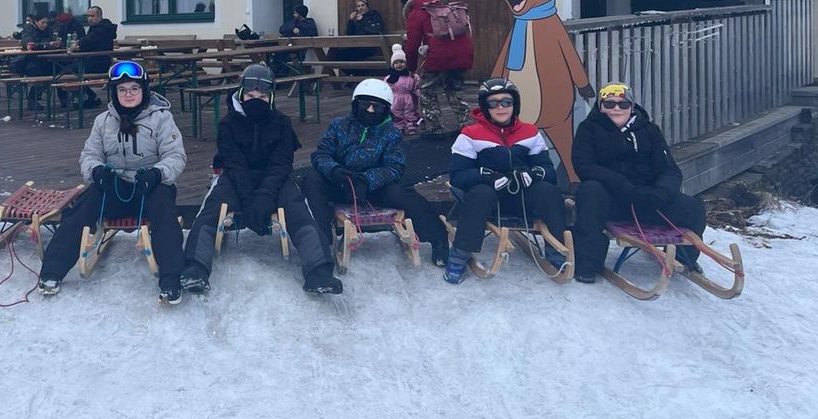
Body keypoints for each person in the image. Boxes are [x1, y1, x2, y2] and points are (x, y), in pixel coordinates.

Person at [179, 64, 337, 295]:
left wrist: (264, 196)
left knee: (298, 209)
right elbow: (233, 163)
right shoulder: (228, 124)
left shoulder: (281, 123)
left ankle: (319, 271)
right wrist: (248, 199)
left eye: (262, 97)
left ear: (270, 98)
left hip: (274, 178)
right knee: (211, 208)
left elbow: (281, 163)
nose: (256, 101)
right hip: (236, 178)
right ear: (241, 94)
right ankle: (195, 268)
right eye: (251, 96)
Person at [37, 61, 187, 303]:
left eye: (134, 89)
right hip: (115, 186)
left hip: (149, 186)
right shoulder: (103, 121)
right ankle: (52, 271)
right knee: (84, 204)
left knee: (165, 212)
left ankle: (171, 280)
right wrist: (96, 171)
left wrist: (157, 174)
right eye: (122, 90)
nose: (128, 94)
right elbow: (90, 155)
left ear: (143, 90)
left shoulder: (162, 119)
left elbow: (176, 156)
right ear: (114, 93)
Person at [300, 78, 447, 274]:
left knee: (403, 194)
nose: (370, 111)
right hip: (340, 182)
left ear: (385, 110)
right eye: (365, 105)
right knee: (312, 180)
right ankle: (321, 242)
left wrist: (368, 180)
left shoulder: (391, 133)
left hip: (371, 188)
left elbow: (395, 167)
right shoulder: (339, 125)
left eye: (376, 107)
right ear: (356, 105)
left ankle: (438, 238)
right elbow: (321, 154)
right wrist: (334, 170)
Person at [570, 82, 707, 284]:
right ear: (601, 106)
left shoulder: (649, 130)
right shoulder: (589, 129)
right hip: (611, 199)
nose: (616, 109)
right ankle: (588, 263)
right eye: (609, 104)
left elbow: (669, 169)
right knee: (590, 191)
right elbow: (584, 165)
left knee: (692, 207)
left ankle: (684, 257)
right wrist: (621, 185)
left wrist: (661, 192)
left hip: (647, 199)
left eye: (623, 104)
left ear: (631, 107)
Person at [443, 78, 567, 284]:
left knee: (548, 191)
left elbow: (549, 172)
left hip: (522, 198)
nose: (500, 107)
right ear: (485, 107)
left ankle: (556, 251)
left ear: (514, 104)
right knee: (480, 194)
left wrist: (533, 174)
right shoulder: (470, 134)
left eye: (506, 102)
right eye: (493, 103)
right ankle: (459, 255)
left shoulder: (530, 132)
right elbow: (458, 176)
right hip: (490, 201)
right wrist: (485, 175)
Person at [401, 0, 474, 139]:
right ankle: (466, 126)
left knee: (427, 90)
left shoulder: (416, 13)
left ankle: (436, 129)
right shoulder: (444, 7)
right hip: (463, 53)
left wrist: (411, 68)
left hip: (439, 56)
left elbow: (412, 45)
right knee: (454, 89)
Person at [16, 13, 59, 112]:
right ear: (35, 22)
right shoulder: (28, 30)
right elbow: (29, 44)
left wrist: (56, 43)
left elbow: (53, 39)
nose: (45, 25)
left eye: (46, 23)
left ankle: (64, 99)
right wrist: (46, 45)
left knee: (59, 70)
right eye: (42, 22)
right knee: (41, 73)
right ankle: (32, 100)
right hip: (29, 62)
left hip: (46, 60)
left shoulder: (48, 30)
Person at [334, 0, 384, 67]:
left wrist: (363, 20)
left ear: (367, 7)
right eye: (358, 6)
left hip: (369, 47)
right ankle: (356, 73)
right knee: (338, 54)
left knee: (349, 56)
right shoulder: (357, 19)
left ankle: (360, 72)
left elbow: (374, 29)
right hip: (356, 46)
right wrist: (351, 21)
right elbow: (349, 33)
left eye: (363, 5)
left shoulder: (373, 15)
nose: (360, 8)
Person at [384, 44, 421, 134]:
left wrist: (417, 92)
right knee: (397, 113)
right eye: (396, 63)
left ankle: (411, 127)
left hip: (408, 97)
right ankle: (399, 128)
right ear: (393, 65)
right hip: (396, 98)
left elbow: (415, 84)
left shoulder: (410, 76)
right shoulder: (390, 77)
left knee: (410, 112)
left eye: (401, 62)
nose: (399, 64)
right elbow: (386, 87)